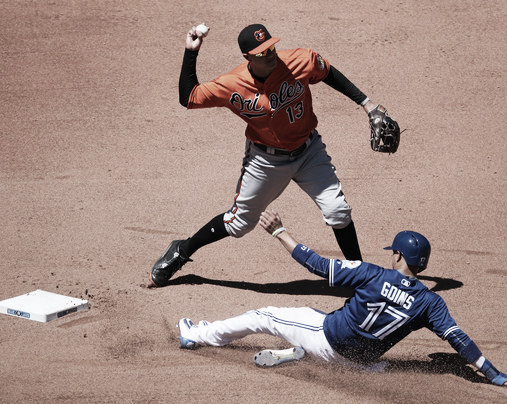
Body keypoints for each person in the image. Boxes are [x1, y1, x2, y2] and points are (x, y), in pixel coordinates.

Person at [150, 22, 400, 287]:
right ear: (247, 57)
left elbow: (327, 73)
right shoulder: (232, 84)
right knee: (239, 225)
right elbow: (188, 96)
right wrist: (191, 52)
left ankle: (360, 280)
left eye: (271, 47)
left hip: (309, 152)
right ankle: (182, 249)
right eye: (261, 52)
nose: (269, 54)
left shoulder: (299, 61)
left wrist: (367, 104)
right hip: (265, 160)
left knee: (338, 212)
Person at [176, 210, 507, 389]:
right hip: (362, 366)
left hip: (325, 340)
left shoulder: (374, 274)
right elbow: (460, 342)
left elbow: (314, 263)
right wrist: (494, 375)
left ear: (398, 257)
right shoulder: (430, 304)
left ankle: (199, 335)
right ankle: (296, 354)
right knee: (354, 350)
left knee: (264, 315)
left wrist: (279, 231)